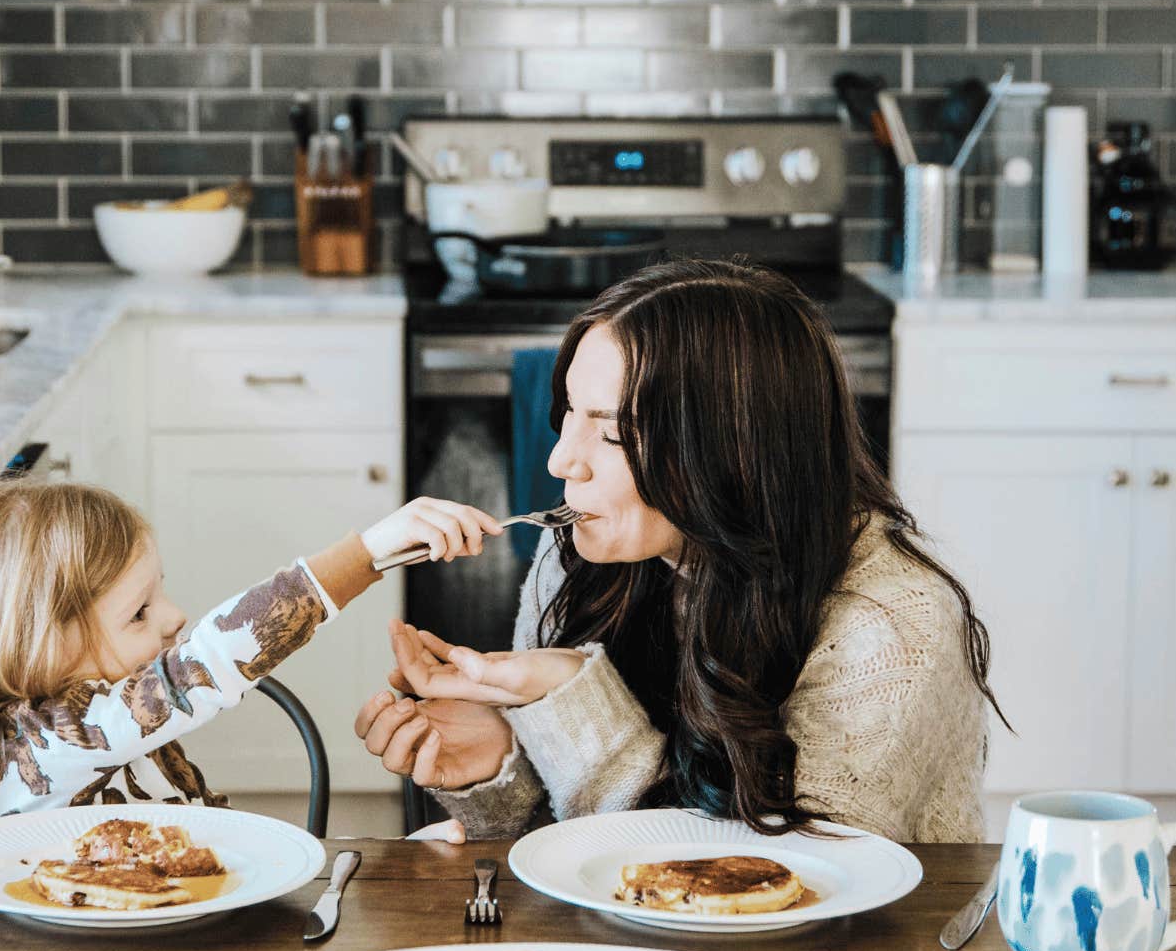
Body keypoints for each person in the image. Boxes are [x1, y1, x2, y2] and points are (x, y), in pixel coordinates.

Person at [354, 259, 1005, 843]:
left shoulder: (892, 619)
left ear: (729, 454)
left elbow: (775, 890)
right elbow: (567, 842)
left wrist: (571, 697)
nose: (560, 459)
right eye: (569, 414)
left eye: (610, 436)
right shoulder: (575, 562)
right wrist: (493, 771)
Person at [0, 478, 500, 835]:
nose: (175, 618)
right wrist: (363, 555)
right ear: (37, 644)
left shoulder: (112, 730)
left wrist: (378, 864)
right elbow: (197, 669)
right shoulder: (40, 744)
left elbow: (211, 846)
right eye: (139, 612)